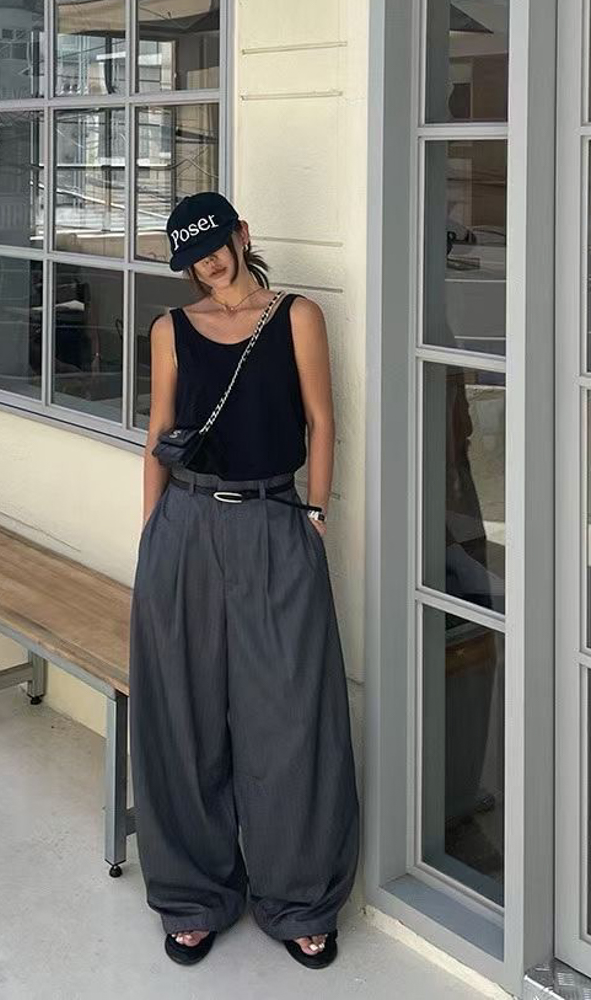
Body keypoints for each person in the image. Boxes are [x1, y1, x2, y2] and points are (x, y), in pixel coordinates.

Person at [128, 191, 359, 969]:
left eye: (214, 246)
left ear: (241, 234)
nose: (208, 265)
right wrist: (153, 538)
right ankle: (193, 896)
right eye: (192, 257)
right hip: (185, 526)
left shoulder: (296, 317)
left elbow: (322, 420)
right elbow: (160, 435)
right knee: (183, 716)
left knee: (290, 717)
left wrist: (315, 513)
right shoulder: (171, 329)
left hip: (272, 520)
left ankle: (299, 898)